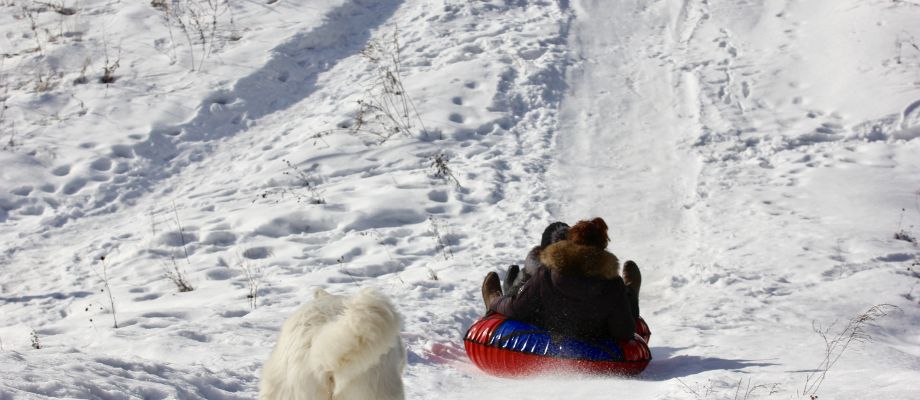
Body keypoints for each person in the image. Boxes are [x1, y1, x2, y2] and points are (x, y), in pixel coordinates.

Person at [481, 217, 641, 341]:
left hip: (549, 334)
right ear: (603, 248)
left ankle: (631, 292)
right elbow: (624, 331)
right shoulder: (612, 283)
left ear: (569, 243)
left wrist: (495, 299)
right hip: (595, 341)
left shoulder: (547, 274)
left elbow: (516, 309)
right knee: (626, 304)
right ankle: (631, 292)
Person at [502, 221, 570, 295]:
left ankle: (513, 288)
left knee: (526, 276)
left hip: (526, 296)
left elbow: (514, 304)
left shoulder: (538, 275)